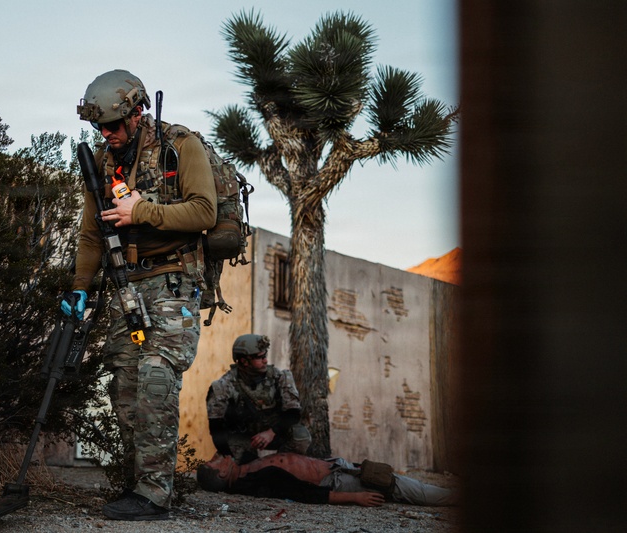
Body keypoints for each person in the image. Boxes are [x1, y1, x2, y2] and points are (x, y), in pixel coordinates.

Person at [62, 69, 216, 521]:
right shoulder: (103, 164)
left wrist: (141, 211)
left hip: (173, 280)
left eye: (113, 125)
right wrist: (79, 288)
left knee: (155, 375)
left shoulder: (181, 145)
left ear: (137, 112)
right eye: (99, 127)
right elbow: (91, 235)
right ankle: (141, 483)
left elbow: (204, 210)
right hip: (126, 286)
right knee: (125, 386)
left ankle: (153, 493)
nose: (106, 134)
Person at [197, 452, 457, 507]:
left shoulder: (247, 466)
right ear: (222, 473)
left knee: (399, 482)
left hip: (339, 469)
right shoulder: (258, 482)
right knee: (404, 487)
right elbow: (306, 494)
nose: (216, 456)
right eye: (214, 461)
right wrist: (355, 497)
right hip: (338, 483)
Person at [206, 334, 311, 465]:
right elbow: (216, 427)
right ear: (244, 361)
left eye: (265, 355)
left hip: (276, 433)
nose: (266, 360)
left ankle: (282, 468)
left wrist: (271, 432)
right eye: (260, 357)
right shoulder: (223, 386)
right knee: (219, 477)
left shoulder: (280, 377)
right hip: (244, 439)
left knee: (301, 436)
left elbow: (293, 414)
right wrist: (228, 456)